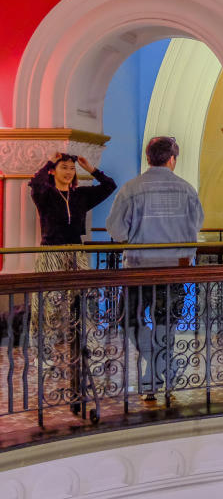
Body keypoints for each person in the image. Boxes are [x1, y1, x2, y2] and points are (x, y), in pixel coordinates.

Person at [106, 136, 203, 401]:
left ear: (149, 157)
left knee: (129, 320)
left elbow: (116, 229)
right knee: (167, 323)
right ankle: (162, 370)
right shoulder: (186, 190)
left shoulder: (132, 189)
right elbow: (196, 226)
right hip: (175, 269)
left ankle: (152, 371)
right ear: (172, 159)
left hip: (139, 268)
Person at [28, 152, 115, 405]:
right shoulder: (44, 196)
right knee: (48, 305)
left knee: (80, 303)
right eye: (63, 167)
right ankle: (43, 353)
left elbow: (109, 186)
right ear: (54, 171)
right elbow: (34, 183)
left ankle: (82, 348)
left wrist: (91, 169)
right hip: (51, 253)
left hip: (76, 254)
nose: (68, 172)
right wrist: (47, 162)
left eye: (71, 168)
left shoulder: (80, 196)